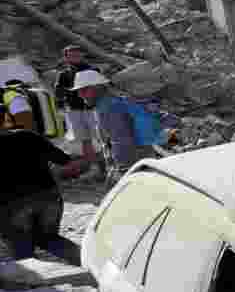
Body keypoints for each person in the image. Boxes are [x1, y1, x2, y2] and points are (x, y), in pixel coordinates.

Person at [0, 114, 86, 265]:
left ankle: (32, 283)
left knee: (22, 246)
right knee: (48, 238)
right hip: (49, 198)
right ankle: (89, 262)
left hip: (12, 205)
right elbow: (64, 160)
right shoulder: (28, 135)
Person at [70, 69, 154, 185]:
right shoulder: (108, 104)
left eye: (84, 90)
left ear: (98, 88)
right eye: (79, 91)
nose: (80, 95)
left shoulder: (110, 108)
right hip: (140, 162)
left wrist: (121, 169)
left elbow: (121, 140)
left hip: (134, 165)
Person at [55, 45, 101, 175]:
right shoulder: (63, 74)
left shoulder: (93, 70)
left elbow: (100, 88)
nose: (73, 57)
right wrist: (63, 91)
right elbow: (58, 93)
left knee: (102, 137)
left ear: (82, 55)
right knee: (85, 140)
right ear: (65, 58)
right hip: (73, 110)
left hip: (93, 109)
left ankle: (110, 165)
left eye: (76, 54)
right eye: (70, 55)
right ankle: (94, 169)